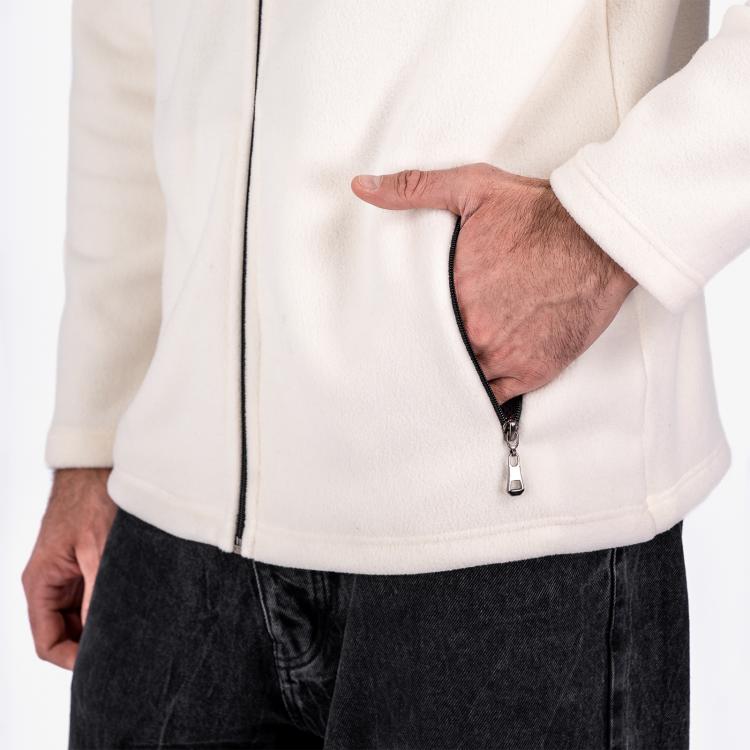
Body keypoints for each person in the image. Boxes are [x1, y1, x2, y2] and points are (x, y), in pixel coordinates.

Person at [22, 1, 750, 748]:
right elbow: (123, 44)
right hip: (172, 528)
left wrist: (608, 229)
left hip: (503, 538)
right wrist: (94, 433)